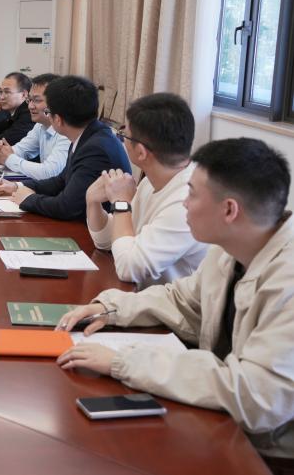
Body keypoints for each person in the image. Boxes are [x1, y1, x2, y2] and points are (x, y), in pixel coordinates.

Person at [57, 138, 294, 463]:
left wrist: (123, 362)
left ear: (229, 210)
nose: (184, 202)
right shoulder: (232, 246)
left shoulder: (286, 279)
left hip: (267, 452)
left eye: (192, 193)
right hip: (224, 423)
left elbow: (256, 395)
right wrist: (110, 308)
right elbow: (183, 300)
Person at [86, 93, 207, 286]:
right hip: (142, 295)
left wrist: (121, 203)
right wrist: (92, 202)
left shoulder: (186, 201)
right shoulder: (151, 181)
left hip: (171, 304)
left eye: (124, 134)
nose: (121, 139)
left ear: (141, 152)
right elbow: (110, 242)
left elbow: (128, 269)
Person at [0, 75, 130, 220]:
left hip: (92, 229)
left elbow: (67, 207)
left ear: (57, 119)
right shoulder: (86, 134)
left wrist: (28, 199)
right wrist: (17, 187)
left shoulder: (95, 148)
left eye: (48, 112)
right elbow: (60, 181)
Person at [0, 73, 70, 180]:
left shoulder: (68, 130)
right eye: (30, 100)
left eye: (37, 100)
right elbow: (20, 150)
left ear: (56, 102)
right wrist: (0, 150)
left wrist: (8, 158)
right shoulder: (40, 125)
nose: (30, 106)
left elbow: (49, 172)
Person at [0, 71, 34, 145]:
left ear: (24, 94)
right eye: (0, 92)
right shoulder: (9, 112)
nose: (1, 97)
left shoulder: (28, 115)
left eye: (7, 92)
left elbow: (1, 142)